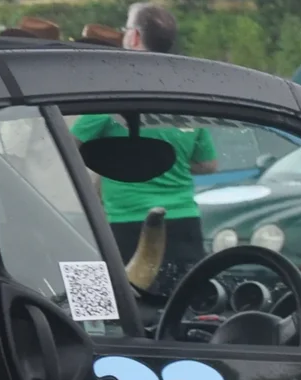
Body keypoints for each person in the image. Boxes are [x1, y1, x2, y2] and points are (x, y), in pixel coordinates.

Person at [69, 6, 215, 299]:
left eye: (125, 30)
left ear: (134, 37)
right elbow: (207, 164)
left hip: (127, 226)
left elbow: (68, 144)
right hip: (184, 224)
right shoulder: (187, 91)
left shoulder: (118, 89)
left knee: (125, 311)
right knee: (184, 309)